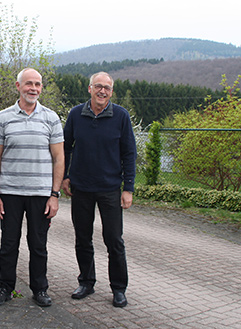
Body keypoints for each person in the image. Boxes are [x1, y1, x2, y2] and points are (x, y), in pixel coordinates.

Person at [0, 68, 64, 308]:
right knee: (8, 243)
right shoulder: (3, 117)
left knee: (38, 245)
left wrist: (54, 195)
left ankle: (40, 289)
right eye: (29, 84)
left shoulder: (51, 118)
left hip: (41, 194)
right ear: (18, 86)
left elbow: (59, 158)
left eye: (38, 84)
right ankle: (4, 287)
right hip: (9, 192)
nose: (34, 88)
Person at [62, 72, 137, 308]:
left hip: (110, 189)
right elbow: (65, 147)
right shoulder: (75, 114)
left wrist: (129, 188)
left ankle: (119, 289)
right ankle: (86, 282)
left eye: (107, 87)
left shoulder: (121, 116)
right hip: (81, 187)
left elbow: (129, 154)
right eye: (98, 86)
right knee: (82, 238)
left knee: (114, 240)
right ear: (89, 88)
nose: (102, 91)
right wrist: (64, 176)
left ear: (111, 92)